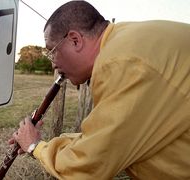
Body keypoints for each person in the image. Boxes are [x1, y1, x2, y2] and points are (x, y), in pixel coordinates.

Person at [11, 0, 190, 179]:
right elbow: (110, 136)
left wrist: (36, 147)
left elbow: (90, 165)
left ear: (75, 40)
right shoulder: (126, 42)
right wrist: (43, 143)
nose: (53, 64)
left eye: (52, 51)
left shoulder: (119, 63)